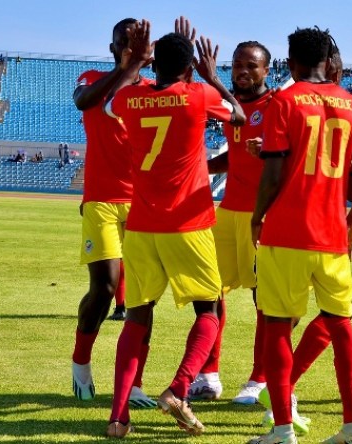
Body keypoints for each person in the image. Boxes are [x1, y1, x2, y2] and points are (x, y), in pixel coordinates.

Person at [103, 21, 246, 438]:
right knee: (210, 310)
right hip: (188, 222)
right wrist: (212, 78)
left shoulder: (129, 98)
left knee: (137, 318)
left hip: (142, 225)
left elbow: (109, 105)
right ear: (189, 69)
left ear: (154, 64)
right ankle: (179, 388)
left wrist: (134, 62)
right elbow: (238, 116)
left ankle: (118, 417)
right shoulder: (198, 94)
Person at [248, 27, 352, 444]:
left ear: (290, 62)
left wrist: (257, 215)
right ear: (327, 59)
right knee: (341, 325)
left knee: (277, 327)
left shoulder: (285, 101)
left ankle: (283, 430)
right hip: (332, 234)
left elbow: (272, 172)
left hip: (287, 232)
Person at [70, 18, 152, 409]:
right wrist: (125, 68)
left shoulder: (152, 91)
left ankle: (134, 384)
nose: (131, 48)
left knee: (142, 296)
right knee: (104, 288)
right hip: (102, 199)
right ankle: (81, 363)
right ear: (113, 47)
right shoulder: (92, 78)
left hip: (143, 202)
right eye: (125, 42)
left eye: (138, 43)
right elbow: (82, 101)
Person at [188, 39, 274, 405]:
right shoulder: (230, 107)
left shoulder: (277, 106)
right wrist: (201, 167)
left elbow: (285, 157)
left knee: (264, 300)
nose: (242, 70)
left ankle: (259, 379)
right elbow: (235, 156)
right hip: (227, 213)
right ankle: (208, 375)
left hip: (262, 216)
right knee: (210, 292)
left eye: (251, 65)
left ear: (266, 70)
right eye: (238, 64)